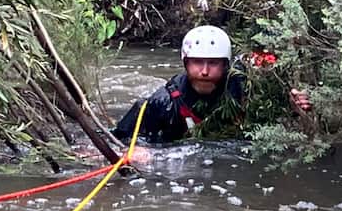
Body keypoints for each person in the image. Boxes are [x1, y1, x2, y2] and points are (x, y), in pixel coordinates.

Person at [112, 25, 312, 145]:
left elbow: (275, 117)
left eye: (213, 63)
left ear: (226, 65)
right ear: (185, 63)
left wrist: (294, 108)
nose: (205, 71)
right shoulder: (161, 102)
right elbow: (120, 140)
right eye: (198, 62)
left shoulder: (245, 89)